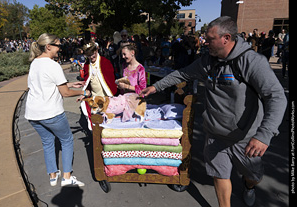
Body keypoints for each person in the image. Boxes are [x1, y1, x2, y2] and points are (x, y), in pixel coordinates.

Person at [141, 16, 287, 207]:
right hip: (215, 134)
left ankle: (249, 186)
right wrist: (155, 87)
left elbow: (276, 97)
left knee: (254, 176)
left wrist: (264, 135)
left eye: (209, 39)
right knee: (220, 175)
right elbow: (183, 73)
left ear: (226, 38)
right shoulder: (207, 61)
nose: (204, 42)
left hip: (245, 138)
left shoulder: (252, 61)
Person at [25, 33, 88, 187]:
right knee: (66, 140)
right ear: (49, 46)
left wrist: (71, 84)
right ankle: (67, 178)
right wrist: (84, 92)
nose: (60, 49)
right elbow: (65, 93)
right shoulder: (53, 65)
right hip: (50, 112)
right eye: (59, 45)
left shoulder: (34, 63)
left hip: (33, 113)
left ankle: (53, 176)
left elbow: (44, 84)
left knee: (47, 142)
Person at [79, 41, 118, 129]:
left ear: (97, 51)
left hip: (106, 98)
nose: (91, 57)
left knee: (109, 121)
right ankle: (97, 140)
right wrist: (84, 94)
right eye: (89, 55)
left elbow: (111, 81)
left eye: (93, 54)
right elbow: (87, 85)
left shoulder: (105, 62)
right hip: (95, 98)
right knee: (96, 124)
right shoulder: (86, 65)